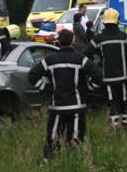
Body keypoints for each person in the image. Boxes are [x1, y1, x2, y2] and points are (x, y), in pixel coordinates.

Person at [27, 29, 100, 159]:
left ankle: (49, 162)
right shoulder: (81, 59)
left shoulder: (49, 60)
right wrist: (88, 88)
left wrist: (46, 88)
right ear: (73, 42)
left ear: (59, 42)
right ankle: (75, 164)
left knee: (53, 140)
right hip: (76, 107)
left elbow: (32, 75)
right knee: (75, 141)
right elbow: (98, 76)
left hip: (57, 107)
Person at [86, 7, 127, 129]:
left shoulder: (98, 38)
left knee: (113, 102)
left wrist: (96, 69)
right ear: (117, 21)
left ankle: (115, 127)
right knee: (126, 101)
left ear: (104, 22)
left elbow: (86, 54)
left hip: (108, 79)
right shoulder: (124, 37)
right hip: (125, 78)